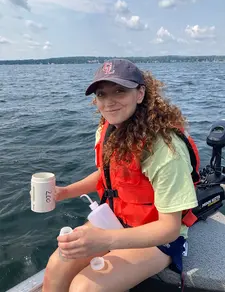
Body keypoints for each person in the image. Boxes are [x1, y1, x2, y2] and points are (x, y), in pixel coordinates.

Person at [42, 59, 199, 292]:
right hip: (115, 221)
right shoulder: (107, 129)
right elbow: (108, 175)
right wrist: (64, 192)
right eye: (101, 94)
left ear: (140, 94)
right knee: (57, 264)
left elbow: (169, 228)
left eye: (120, 91)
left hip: (157, 236)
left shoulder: (165, 150)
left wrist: (105, 241)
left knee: (85, 287)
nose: (109, 102)